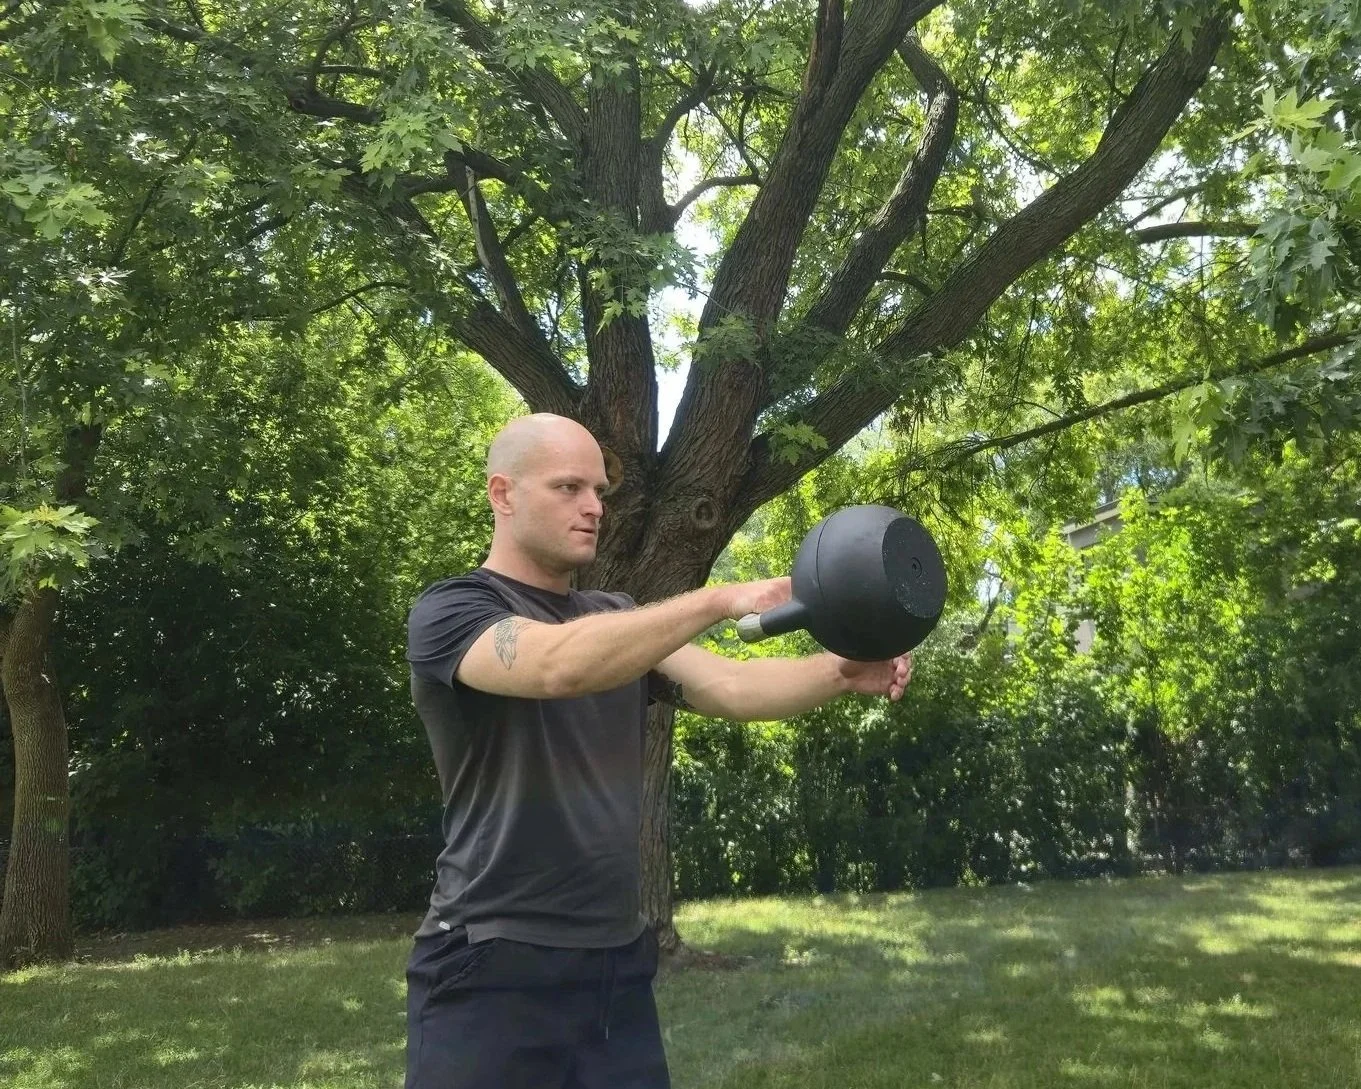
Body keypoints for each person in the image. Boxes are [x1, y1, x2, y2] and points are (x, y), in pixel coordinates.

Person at [403, 413, 914, 1089]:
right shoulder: (452, 612)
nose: (593, 507)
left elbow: (729, 683)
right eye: (568, 487)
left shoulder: (612, 618)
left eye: (598, 490)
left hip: (614, 962)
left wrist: (841, 672)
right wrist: (716, 599)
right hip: (490, 960)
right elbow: (556, 666)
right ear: (504, 494)